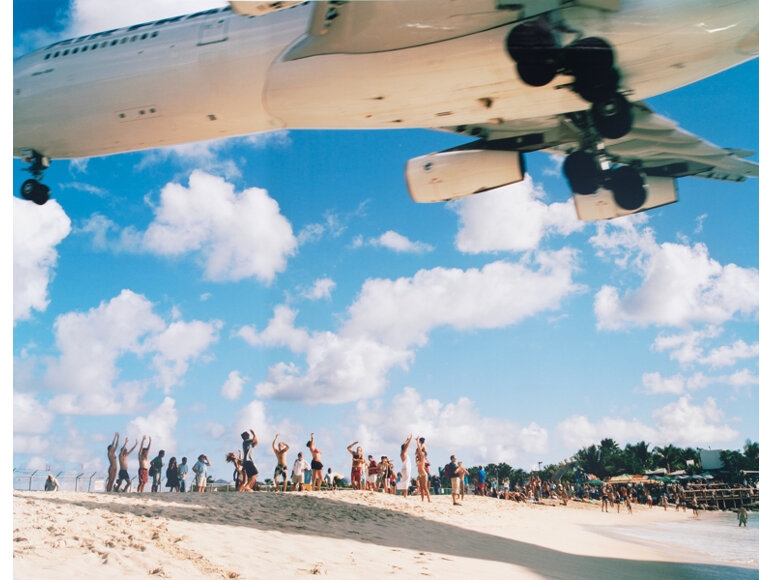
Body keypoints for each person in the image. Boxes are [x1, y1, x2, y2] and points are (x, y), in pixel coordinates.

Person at [396, 434, 413, 498]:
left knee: (405, 482)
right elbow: (406, 446)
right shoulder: (403, 453)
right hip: (406, 469)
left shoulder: (402, 453)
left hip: (404, 469)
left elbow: (403, 445)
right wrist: (410, 439)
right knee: (406, 482)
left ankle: (404, 495)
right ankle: (405, 496)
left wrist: (407, 439)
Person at [415, 438, 431, 502]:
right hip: (420, 474)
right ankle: (422, 500)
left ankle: (429, 499)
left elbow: (419, 448)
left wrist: (417, 441)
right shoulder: (417, 458)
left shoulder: (422, 456)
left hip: (424, 474)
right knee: (421, 488)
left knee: (425, 487)